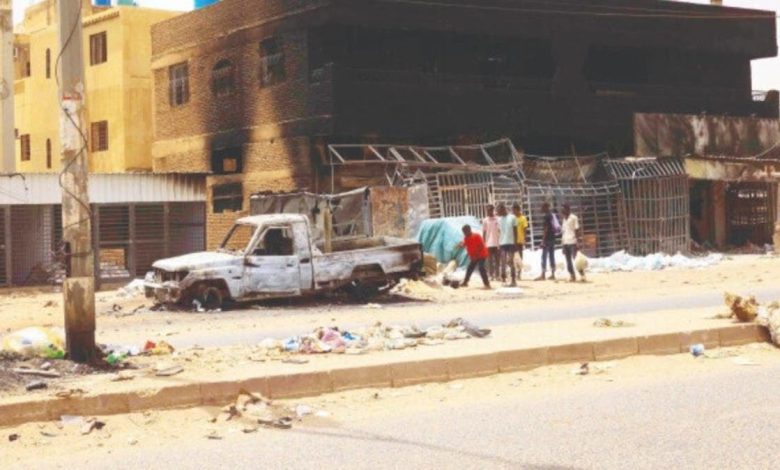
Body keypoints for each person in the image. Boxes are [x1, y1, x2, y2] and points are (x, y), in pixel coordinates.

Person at [459, 225, 491, 289]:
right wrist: (461, 245)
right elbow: (465, 244)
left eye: (465, 232)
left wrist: (476, 256)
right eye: (464, 232)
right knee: (470, 268)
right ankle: (465, 282)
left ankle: (487, 284)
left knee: (481, 268)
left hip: (482, 255)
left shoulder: (476, 236)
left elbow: (481, 246)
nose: (464, 233)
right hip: (474, 256)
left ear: (469, 230)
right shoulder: (466, 238)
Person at [497, 203, 517, 286]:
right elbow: (499, 231)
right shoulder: (499, 219)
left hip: (511, 243)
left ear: (503, 209)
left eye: (499, 211)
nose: (498, 213)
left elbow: (515, 230)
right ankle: (503, 279)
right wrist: (498, 242)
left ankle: (513, 280)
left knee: (511, 261)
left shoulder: (512, 217)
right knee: (503, 261)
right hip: (502, 243)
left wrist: (515, 242)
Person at [535, 202, 556, 281]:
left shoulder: (546, 216)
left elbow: (546, 229)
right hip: (552, 238)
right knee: (551, 256)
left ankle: (543, 274)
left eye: (542, 207)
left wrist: (543, 240)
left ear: (545, 207)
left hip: (547, 239)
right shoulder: (551, 215)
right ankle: (553, 274)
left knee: (544, 256)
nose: (541, 209)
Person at [560, 204, 581, 282]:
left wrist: (577, 242)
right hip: (566, 242)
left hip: (572, 241)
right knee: (568, 260)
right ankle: (572, 275)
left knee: (576, 260)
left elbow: (576, 230)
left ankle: (581, 274)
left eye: (563, 209)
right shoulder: (564, 219)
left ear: (568, 209)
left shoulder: (574, 218)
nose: (562, 210)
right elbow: (563, 232)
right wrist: (562, 244)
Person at [481, 204, 500, 281]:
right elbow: (484, 232)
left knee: (497, 260)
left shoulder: (497, 219)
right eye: (487, 210)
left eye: (490, 210)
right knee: (489, 260)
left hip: (497, 242)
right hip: (488, 243)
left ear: (492, 210)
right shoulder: (485, 220)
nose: (488, 212)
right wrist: (483, 243)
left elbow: (500, 230)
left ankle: (497, 275)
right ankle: (491, 275)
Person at [512, 203, 529, 280]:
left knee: (520, 257)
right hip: (512, 240)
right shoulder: (512, 218)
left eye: (515, 210)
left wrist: (524, 239)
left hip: (520, 240)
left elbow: (525, 229)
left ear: (518, 210)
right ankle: (514, 272)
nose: (514, 212)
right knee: (513, 257)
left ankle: (519, 273)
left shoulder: (523, 218)